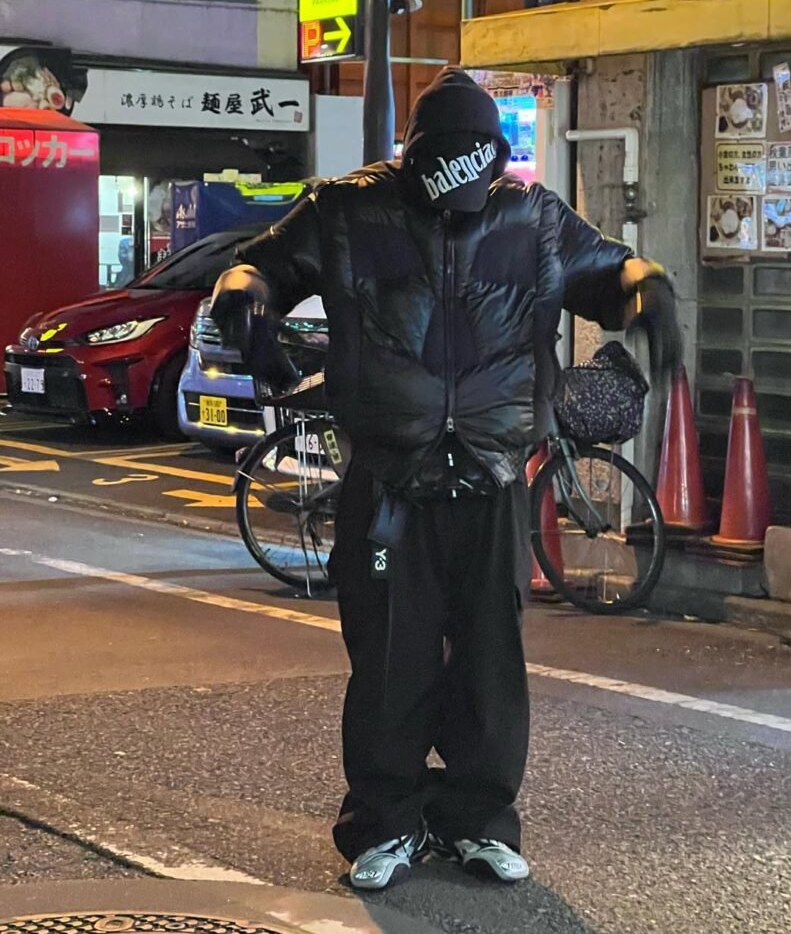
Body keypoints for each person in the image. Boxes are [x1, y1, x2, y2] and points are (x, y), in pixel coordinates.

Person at [211, 68, 682, 891]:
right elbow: (261, 266)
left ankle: (477, 820)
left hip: (494, 477)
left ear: (493, 162)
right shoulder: (347, 209)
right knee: (390, 662)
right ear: (413, 158)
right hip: (389, 478)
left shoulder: (531, 219)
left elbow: (610, 271)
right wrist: (242, 299)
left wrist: (650, 289)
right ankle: (383, 823)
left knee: (490, 663)